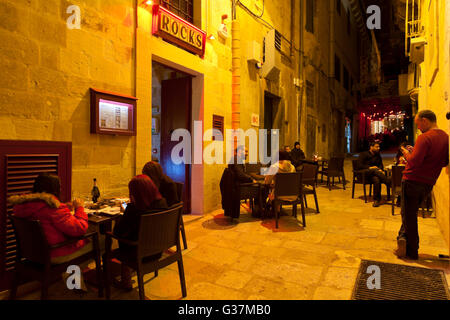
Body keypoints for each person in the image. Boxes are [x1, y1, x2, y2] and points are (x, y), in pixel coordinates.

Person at [8, 174, 91, 291]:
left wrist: (64, 208)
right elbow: (79, 229)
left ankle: (75, 282)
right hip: (53, 255)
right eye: (59, 187)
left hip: (31, 252)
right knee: (99, 239)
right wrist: (79, 208)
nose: (61, 189)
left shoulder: (23, 205)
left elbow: (47, 218)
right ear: (54, 189)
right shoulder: (53, 208)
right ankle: (73, 282)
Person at [395, 110, 449, 260]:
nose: (418, 128)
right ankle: (402, 238)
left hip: (412, 180)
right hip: (428, 183)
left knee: (408, 216)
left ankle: (412, 251)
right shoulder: (446, 137)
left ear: (425, 120)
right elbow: (444, 161)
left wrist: (406, 153)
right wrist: (415, 151)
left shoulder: (424, 138)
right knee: (410, 214)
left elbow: (414, 162)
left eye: (419, 124)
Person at [112, 175, 168, 289]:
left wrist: (123, 215)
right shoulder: (162, 203)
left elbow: (117, 232)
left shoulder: (134, 209)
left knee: (123, 244)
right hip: (158, 251)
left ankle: (125, 282)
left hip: (139, 255)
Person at [357, 142, 391, 207]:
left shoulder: (378, 155)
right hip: (364, 174)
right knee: (374, 170)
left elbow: (380, 165)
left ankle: (376, 200)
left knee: (376, 179)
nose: (379, 148)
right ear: (371, 147)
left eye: (379, 147)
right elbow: (359, 165)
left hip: (374, 175)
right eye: (377, 147)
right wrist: (370, 167)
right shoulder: (363, 154)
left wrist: (381, 169)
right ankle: (388, 182)